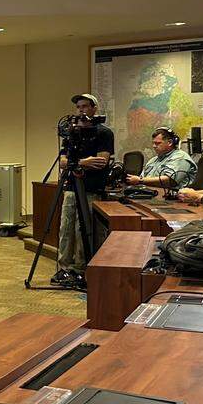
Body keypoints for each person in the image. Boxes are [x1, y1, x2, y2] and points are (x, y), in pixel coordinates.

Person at [52, 93, 114, 289]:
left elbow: (101, 161)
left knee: (82, 230)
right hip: (70, 187)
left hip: (91, 188)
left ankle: (80, 269)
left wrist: (77, 164)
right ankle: (63, 269)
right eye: (78, 107)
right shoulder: (72, 134)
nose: (81, 110)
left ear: (94, 109)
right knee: (65, 229)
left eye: (85, 106)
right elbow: (62, 163)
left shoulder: (104, 133)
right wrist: (83, 162)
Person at [125, 127, 196, 189]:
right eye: (153, 143)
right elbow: (143, 177)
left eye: (158, 143)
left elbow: (169, 181)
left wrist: (140, 180)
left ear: (170, 142)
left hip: (174, 199)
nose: (154, 146)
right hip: (152, 195)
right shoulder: (153, 160)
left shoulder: (181, 157)